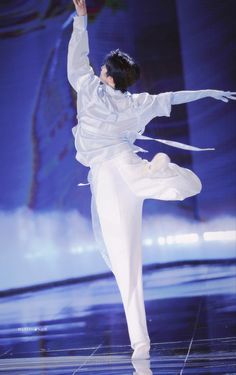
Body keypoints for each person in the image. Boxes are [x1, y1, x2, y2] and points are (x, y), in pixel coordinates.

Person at [68, 0, 236, 360]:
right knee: (189, 185)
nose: (98, 69)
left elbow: (76, 57)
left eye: (103, 68)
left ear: (108, 78)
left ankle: (140, 344)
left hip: (110, 179)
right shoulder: (136, 103)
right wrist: (207, 92)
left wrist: (81, 21)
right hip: (129, 167)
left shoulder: (87, 89)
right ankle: (160, 171)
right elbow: (173, 97)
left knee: (127, 263)